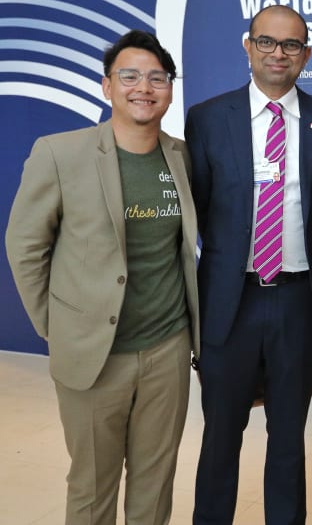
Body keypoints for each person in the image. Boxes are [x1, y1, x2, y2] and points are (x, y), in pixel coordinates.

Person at [5, 30, 199, 524]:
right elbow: (25, 245)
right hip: (94, 354)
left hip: (167, 349)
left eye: (157, 78)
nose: (144, 87)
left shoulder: (180, 157)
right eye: (129, 76)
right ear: (106, 86)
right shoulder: (60, 153)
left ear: (170, 90)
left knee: (155, 484)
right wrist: (56, 326)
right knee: (92, 486)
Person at [186, 5, 312, 524]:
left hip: (299, 302)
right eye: (267, 42)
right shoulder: (207, 118)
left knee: (288, 442)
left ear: (306, 55)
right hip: (230, 302)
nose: (278, 53)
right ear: (247, 47)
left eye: (291, 45)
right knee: (220, 440)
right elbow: (198, 209)